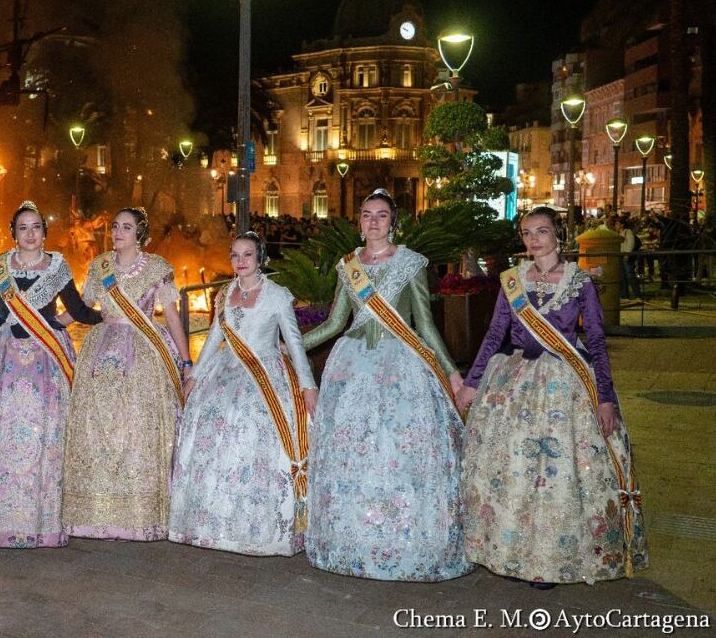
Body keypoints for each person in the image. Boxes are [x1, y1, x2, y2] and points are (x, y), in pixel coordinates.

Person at [455, 206, 647, 587]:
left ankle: (553, 556)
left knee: (558, 474)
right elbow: (495, 336)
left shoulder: (579, 282)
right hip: (517, 381)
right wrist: (472, 382)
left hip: (567, 383)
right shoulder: (512, 280)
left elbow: (595, 340)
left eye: (541, 231)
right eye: (526, 233)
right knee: (513, 469)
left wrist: (604, 397)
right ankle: (511, 550)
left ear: (557, 234)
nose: (533, 240)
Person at [301, 189, 470, 581]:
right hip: (352, 367)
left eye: (381, 215)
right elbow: (332, 324)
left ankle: (404, 540)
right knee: (352, 449)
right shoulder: (349, 267)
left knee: (399, 448)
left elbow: (425, 324)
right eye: (366, 215)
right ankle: (350, 539)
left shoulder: (410, 263)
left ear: (393, 221)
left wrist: (451, 371)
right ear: (358, 222)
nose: (373, 221)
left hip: (402, 366)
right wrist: (288, 348)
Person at [0, 202, 101, 548]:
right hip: (0, 354)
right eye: (23, 228)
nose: (30, 234)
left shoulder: (58, 266)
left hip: (46, 356)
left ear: (45, 231)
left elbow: (76, 309)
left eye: (36, 227)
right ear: (13, 233)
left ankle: (41, 516)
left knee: (46, 429)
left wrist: (110, 317)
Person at [169, 231, 317, 556]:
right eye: (235, 255)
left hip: (266, 375)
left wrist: (308, 386)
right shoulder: (224, 295)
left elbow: (293, 342)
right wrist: (194, 375)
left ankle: (257, 526)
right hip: (226, 372)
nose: (240, 261)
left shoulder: (277, 296)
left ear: (260, 257)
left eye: (247, 255)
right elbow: (212, 340)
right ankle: (213, 524)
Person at [62, 207, 192, 540]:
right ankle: (95, 512)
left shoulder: (158, 268)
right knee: (96, 425)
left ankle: (140, 514)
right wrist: (45, 324)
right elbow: (80, 310)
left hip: (144, 353)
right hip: (101, 350)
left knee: (138, 425)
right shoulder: (99, 266)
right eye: (115, 226)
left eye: (126, 227)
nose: (118, 232)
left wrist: (185, 360)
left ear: (140, 233)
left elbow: (172, 317)